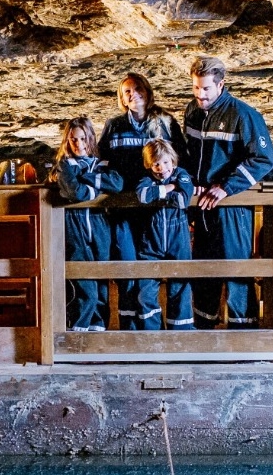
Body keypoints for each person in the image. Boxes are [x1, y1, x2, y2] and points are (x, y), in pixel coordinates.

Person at [182, 56, 273, 329]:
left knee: (237, 267)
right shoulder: (193, 111)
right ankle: (204, 326)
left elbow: (263, 158)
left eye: (206, 89)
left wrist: (226, 187)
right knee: (205, 267)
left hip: (232, 205)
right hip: (203, 205)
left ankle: (242, 331)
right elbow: (189, 154)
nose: (200, 95)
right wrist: (191, 182)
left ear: (221, 84)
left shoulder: (243, 115)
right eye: (196, 88)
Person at [99, 74, 184, 330]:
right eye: (126, 91)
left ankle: (165, 330)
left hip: (156, 213)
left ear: (147, 91)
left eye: (137, 89)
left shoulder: (166, 123)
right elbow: (101, 162)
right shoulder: (114, 125)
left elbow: (181, 162)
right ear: (121, 98)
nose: (132, 94)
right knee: (128, 269)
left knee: (155, 273)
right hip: (124, 211)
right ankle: (131, 329)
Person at [54, 117, 122, 331]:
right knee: (82, 279)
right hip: (76, 226)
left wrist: (86, 179)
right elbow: (76, 192)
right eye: (73, 139)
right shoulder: (65, 164)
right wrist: (96, 189)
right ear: (67, 141)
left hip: (99, 225)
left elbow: (117, 183)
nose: (79, 144)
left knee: (101, 275)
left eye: (83, 138)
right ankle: (78, 326)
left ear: (91, 138)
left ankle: (99, 325)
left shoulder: (102, 163)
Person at [134, 138, 195, 330]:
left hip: (178, 239)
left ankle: (180, 333)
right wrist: (170, 187)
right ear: (149, 165)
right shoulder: (146, 180)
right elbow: (143, 196)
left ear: (173, 160)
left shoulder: (182, 175)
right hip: (151, 240)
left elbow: (183, 200)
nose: (162, 168)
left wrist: (159, 192)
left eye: (166, 162)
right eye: (157, 164)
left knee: (180, 286)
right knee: (146, 290)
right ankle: (152, 335)